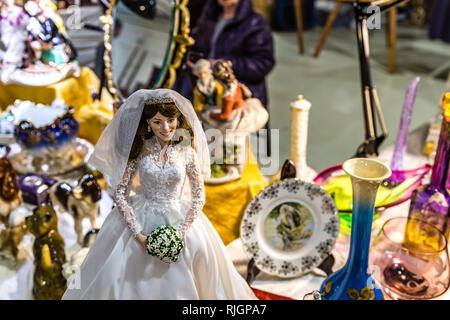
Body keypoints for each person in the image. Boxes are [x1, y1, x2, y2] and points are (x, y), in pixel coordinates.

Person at [62, 89, 257, 299]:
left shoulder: (187, 152)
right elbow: (120, 193)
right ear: (147, 123)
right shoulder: (140, 152)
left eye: (170, 120)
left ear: (178, 120)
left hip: (180, 218)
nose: (166, 128)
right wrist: (137, 233)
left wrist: (180, 232)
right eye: (157, 122)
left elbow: (199, 196)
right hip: (142, 215)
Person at [185, 0, 274, 107]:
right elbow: (196, 44)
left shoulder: (255, 23)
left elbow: (263, 63)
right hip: (208, 90)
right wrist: (193, 60)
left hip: (238, 97)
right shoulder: (209, 16)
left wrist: (227, 65)